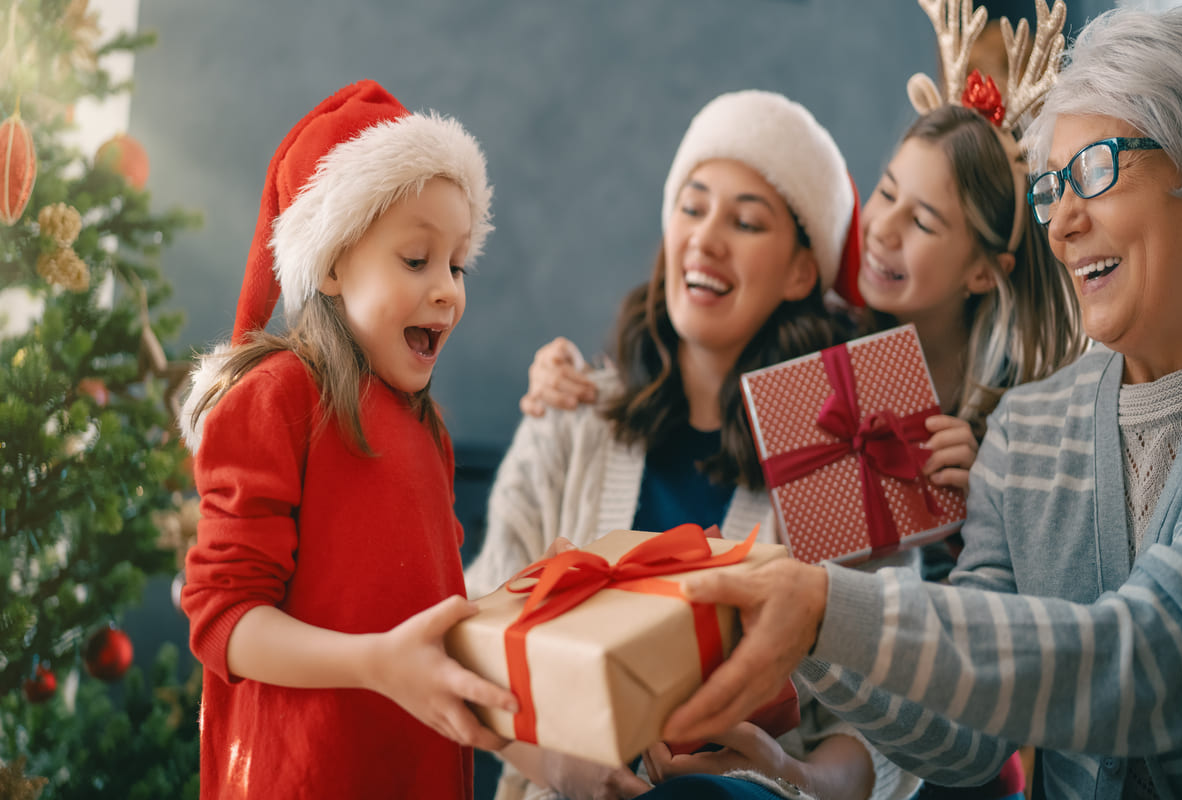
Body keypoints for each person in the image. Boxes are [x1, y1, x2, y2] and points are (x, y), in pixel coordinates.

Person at [656, 7, 1182, 799]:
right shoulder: (1029, 431)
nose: (1066, 222)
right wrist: (806, 659)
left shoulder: (991, 424)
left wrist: (823, 611)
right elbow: (969, 741)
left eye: (1095, 171)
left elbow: (1151, 661)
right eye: (1052, 189)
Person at [467, 90, 921, 800]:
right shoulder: (568, 421)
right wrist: (558, 765)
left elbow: (886, 732)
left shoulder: (845, 453)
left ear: (803, 270)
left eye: (746, 221)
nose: (707, 238)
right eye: (692, 206)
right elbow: (473, 653)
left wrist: (787, 773)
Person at [177, 80, 515, 799]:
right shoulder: (275, 398)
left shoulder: (427, 430)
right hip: (303, 776)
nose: (449, 290)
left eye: (457, 264)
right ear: (331, 263)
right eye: (416, 260)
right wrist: (374, 663)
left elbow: (436, 629)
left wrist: (558, 754)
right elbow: (223, 621)